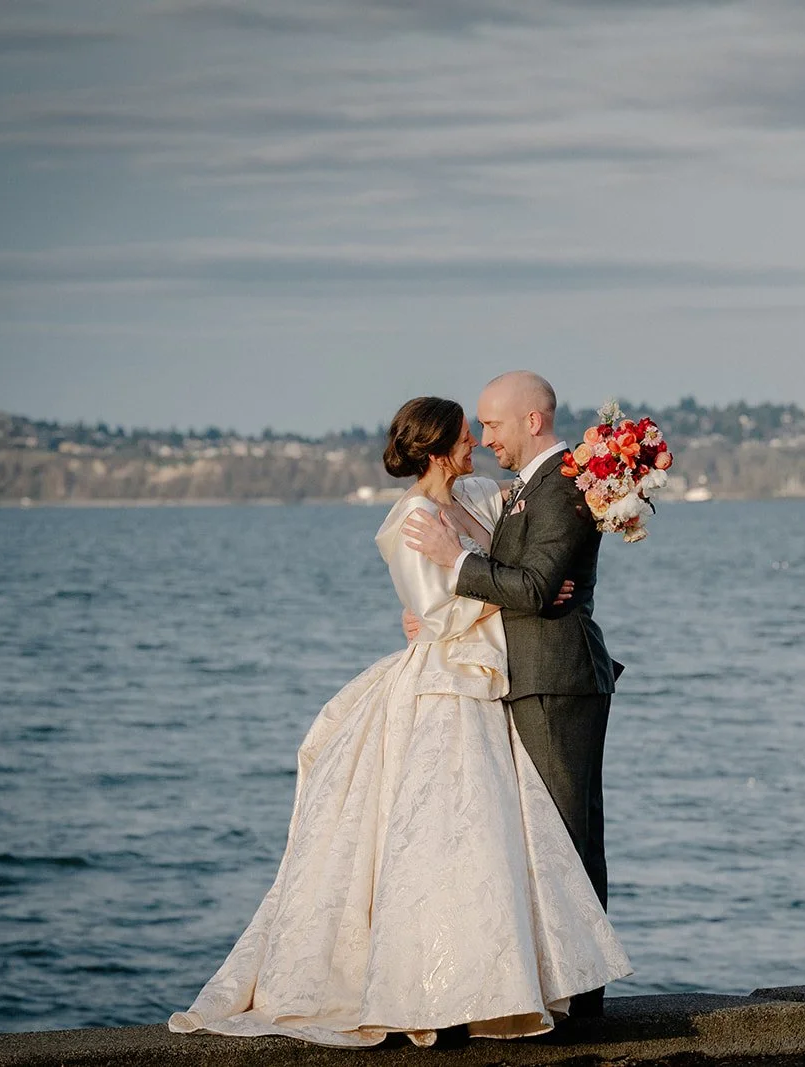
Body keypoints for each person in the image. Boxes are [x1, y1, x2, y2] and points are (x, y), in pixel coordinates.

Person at [169, 396, 630, 1049]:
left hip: (499, 675)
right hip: (451, 682)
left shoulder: (475, 493)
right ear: (439, 447)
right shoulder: (410, 518)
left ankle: (511, 982)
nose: (477, 442)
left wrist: (537, 582)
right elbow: (438, 616)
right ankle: (436, 987)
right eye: (467, 436)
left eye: (483, 430)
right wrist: (518, 600)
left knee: (506, 841)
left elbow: (529, 531)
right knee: (446, 842)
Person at [402, 371, 621, 1019]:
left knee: (567, 837)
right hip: (525, 675)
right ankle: (556, 988)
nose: (485, 436)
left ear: (532, 420)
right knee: (546, 837)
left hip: (555, 677)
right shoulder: (526, 488)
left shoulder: (561, 484)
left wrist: (455, 562)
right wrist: (434, 609)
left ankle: (580, 1003)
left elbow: (533, 587)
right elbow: (523, 582)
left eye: (492, 424)